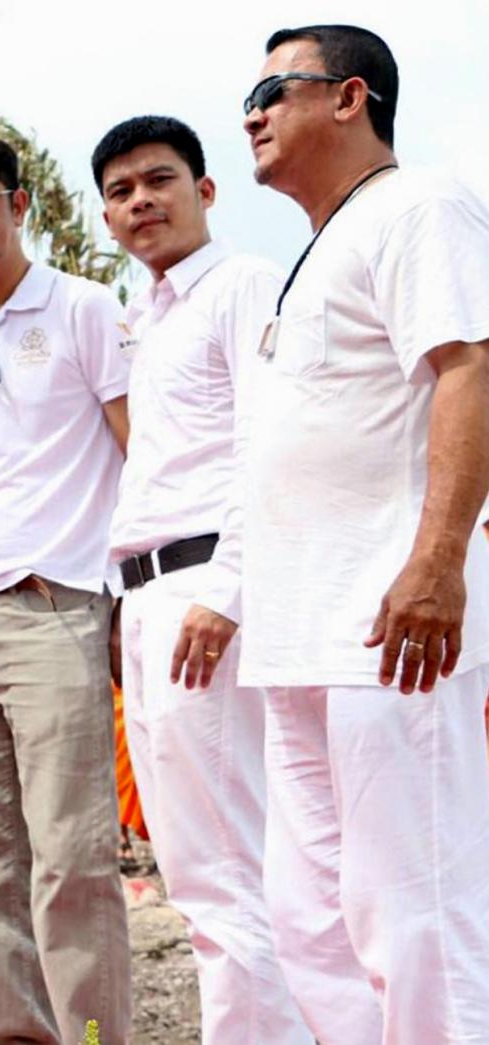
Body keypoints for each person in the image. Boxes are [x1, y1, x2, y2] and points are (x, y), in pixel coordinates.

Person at [241, 25, 489, 1040]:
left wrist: (435, 562)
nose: (251, 116)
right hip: (298, 634)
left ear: (349, 97)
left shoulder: (418, 206)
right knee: (311, 922)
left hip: (390, 626)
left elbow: (467, 370)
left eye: (271, 92)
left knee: (415, 906)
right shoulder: (314, 251)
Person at [93, 115, 310, 1044]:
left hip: (206, 583)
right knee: (192, 868)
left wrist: (227, 588)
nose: (140, 201)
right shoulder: (142, 317)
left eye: (159, 180)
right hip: (146, 594)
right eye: (120, 191)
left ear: (205, 190)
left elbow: (272, 443)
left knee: (230, 867)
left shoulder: (241, 283)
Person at [0, 133, 133, 1041]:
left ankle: (93, 1038)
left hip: (56, 604)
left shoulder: (84, 307)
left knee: (71, 860)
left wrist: (122, 597)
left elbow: (140, 451)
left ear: (17, 204)